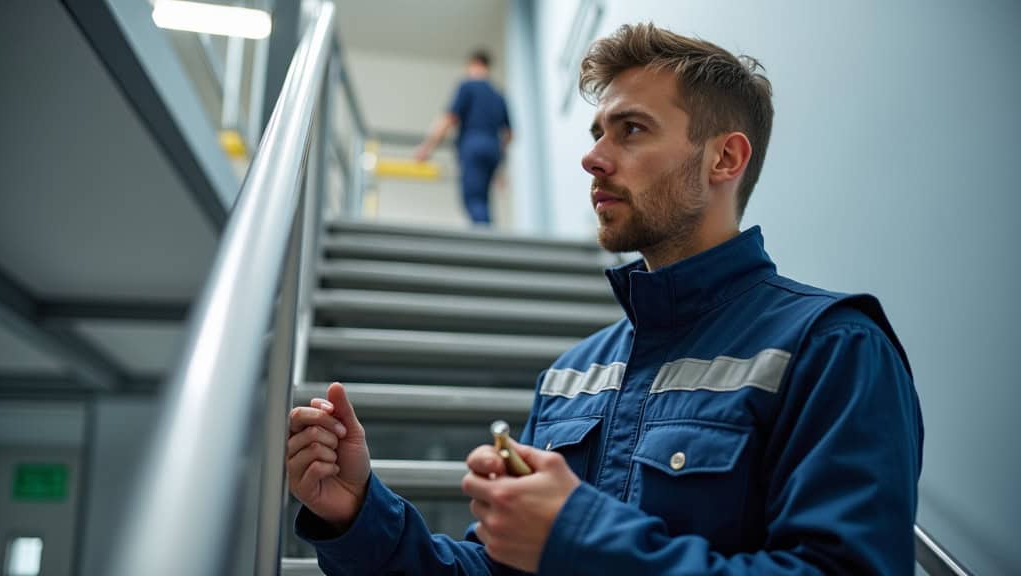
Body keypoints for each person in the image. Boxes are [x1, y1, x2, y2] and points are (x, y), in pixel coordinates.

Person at [288, 23, 923, 575]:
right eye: (597, 132)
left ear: (724, 157)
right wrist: (358, 513)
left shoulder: (833, 347)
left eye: (631, 130)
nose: (593, 158)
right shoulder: (570, 375)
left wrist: (578, 536)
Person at [415, 50, 512, 226]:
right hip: (493, 150)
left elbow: (449, 118)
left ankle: (484, 240)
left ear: (474, 64)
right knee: (483, 199)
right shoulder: (499, 95)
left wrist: (427, 147)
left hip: (473, 146)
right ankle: (487, 235)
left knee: (473, 198)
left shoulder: (467, 87)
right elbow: (508, 133)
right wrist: (501, 168)